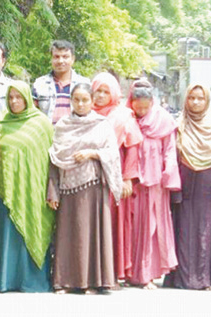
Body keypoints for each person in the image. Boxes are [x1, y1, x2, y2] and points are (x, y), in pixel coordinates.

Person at [47, 83, 122, 294]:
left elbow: (112, 153)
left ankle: (93, 282)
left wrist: (92, 153)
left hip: (94, 189)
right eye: (76, 100)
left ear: (92, 100)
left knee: (92, 235)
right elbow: (54, 159)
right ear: (71, 101)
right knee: (68, 235)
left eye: (85, 99)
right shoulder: (62, 125)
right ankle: (65, 282)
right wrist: (52, 191)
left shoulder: (102, 124)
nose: (81, 104)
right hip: (68, 188)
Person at [164, 84, 211, 291]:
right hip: (184, 184)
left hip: (208, 185)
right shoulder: (179, 124)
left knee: (206, 231)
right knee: (184, 231)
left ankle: (205, 279)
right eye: (191, 98)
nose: (195, 102)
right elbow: (172, 156)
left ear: (207, 101)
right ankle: (182, 278)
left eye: (200, 98)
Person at [0, 81, 55, 293]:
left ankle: (31, 280)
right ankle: (5, 281)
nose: (14, 102)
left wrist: (50, 191)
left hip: (34, 192)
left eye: (18, 97)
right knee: (7, 235)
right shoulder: (0, 124)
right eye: (10, 98)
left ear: (27, 98)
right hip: (5, 191)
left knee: (32, 231)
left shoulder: (42, 124)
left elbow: (51, 161)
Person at [91, 72, 143, 286]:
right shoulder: (84, 112)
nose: (101, 96)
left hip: (115, 175)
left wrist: (128, 179)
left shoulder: (123, 116)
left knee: (113, 223)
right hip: (90, 175)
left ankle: (114, 272)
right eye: (98, 91)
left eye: (106, 92)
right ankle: (92, 270)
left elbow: (132, 150)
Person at [126, 80, 180, 289]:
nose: (141, 111)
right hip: (133, 182)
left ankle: (147, 274)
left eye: (144, 107)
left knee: (152, 227)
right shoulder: (128, 119)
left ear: (152, 102)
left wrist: (168, 173)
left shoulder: (163, 120)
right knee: (134, 228)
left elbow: (170, 149)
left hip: (155, 181)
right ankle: (132, 272)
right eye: (137, 106)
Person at [32, 40, 90, 125]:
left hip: (76, 134)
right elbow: (31, 114)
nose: (60, 61)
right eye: (56, 57)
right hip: (48, 135)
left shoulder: (85, 84)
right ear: (51, 59)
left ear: (73, 59)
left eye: (65, 57)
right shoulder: (40, 84)